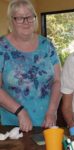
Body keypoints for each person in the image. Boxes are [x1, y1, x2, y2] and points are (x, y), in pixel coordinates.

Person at [0, 0, 61, 132]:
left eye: (29, 16)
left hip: (46, 122)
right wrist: (20, 111)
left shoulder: (47, 45)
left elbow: (57, 81)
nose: (26, 21)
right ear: (11, 21)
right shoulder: (1, 47)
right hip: (13, 125)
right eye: (20, 18)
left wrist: (52, 111)